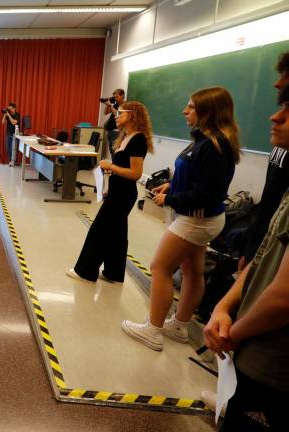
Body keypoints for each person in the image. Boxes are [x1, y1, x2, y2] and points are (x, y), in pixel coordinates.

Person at [122, 86, 241, 351]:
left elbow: (207, 193)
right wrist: (172, 186)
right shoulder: (203, 139)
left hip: (196, 219)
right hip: (197, 218)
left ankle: (153, 330)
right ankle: (179, 325)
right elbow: (194, 176)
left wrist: (172, 199)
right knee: (192, 271)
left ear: (208, 112)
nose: (184, 111)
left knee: (160, 268)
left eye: (191, 107)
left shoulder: (214, 145)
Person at [203, 84, 289, 432]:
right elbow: (268, 250)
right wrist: (224, 306)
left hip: (273, 367)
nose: (274, 115)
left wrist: (232, 333)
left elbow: (283, 298)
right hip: (252, 353)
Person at [67, 101, 153, 283]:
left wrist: (111, 166)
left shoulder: (138, 139)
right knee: (117, 235)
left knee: (99, 231)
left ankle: (85, 271)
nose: (116, 115)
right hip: (117, 191)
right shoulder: (126, 137)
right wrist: (111, 172)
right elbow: (122, 168)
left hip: (124, 194)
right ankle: (114, 273)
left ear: (133, 115)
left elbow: (136, 174)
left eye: (121, 112)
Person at [239, 51, 289, 269]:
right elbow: (270, 199)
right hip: (260, 240)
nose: (277, 84)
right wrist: (251, 247)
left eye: (285, 75)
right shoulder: (281, 140)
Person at [102, 89, 126, 155]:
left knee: (115, 151)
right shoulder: (116, 104)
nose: (115, 99)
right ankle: (113, 164)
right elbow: (105, 113)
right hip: (110, 131)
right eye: (114, 97)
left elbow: (118, 114)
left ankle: (114, 165)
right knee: (111, 150)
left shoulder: (125, 105)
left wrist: (111, 106)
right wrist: (107, 105)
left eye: (116, 97)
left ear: (122, 96)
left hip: (116, 132)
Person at [1, 102, 20, 166]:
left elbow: (14, 123)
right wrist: (5, 114)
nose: (10, 110)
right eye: (9, 109)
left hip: (15, 134)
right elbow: (2, 122)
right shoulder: (8, 114)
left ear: (14, 108)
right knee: (8, 149)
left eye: (11, 109)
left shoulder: (17, 114)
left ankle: (13, 162)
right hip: (8, 134)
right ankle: (10, 161)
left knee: (14, 149)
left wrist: (8, 115)